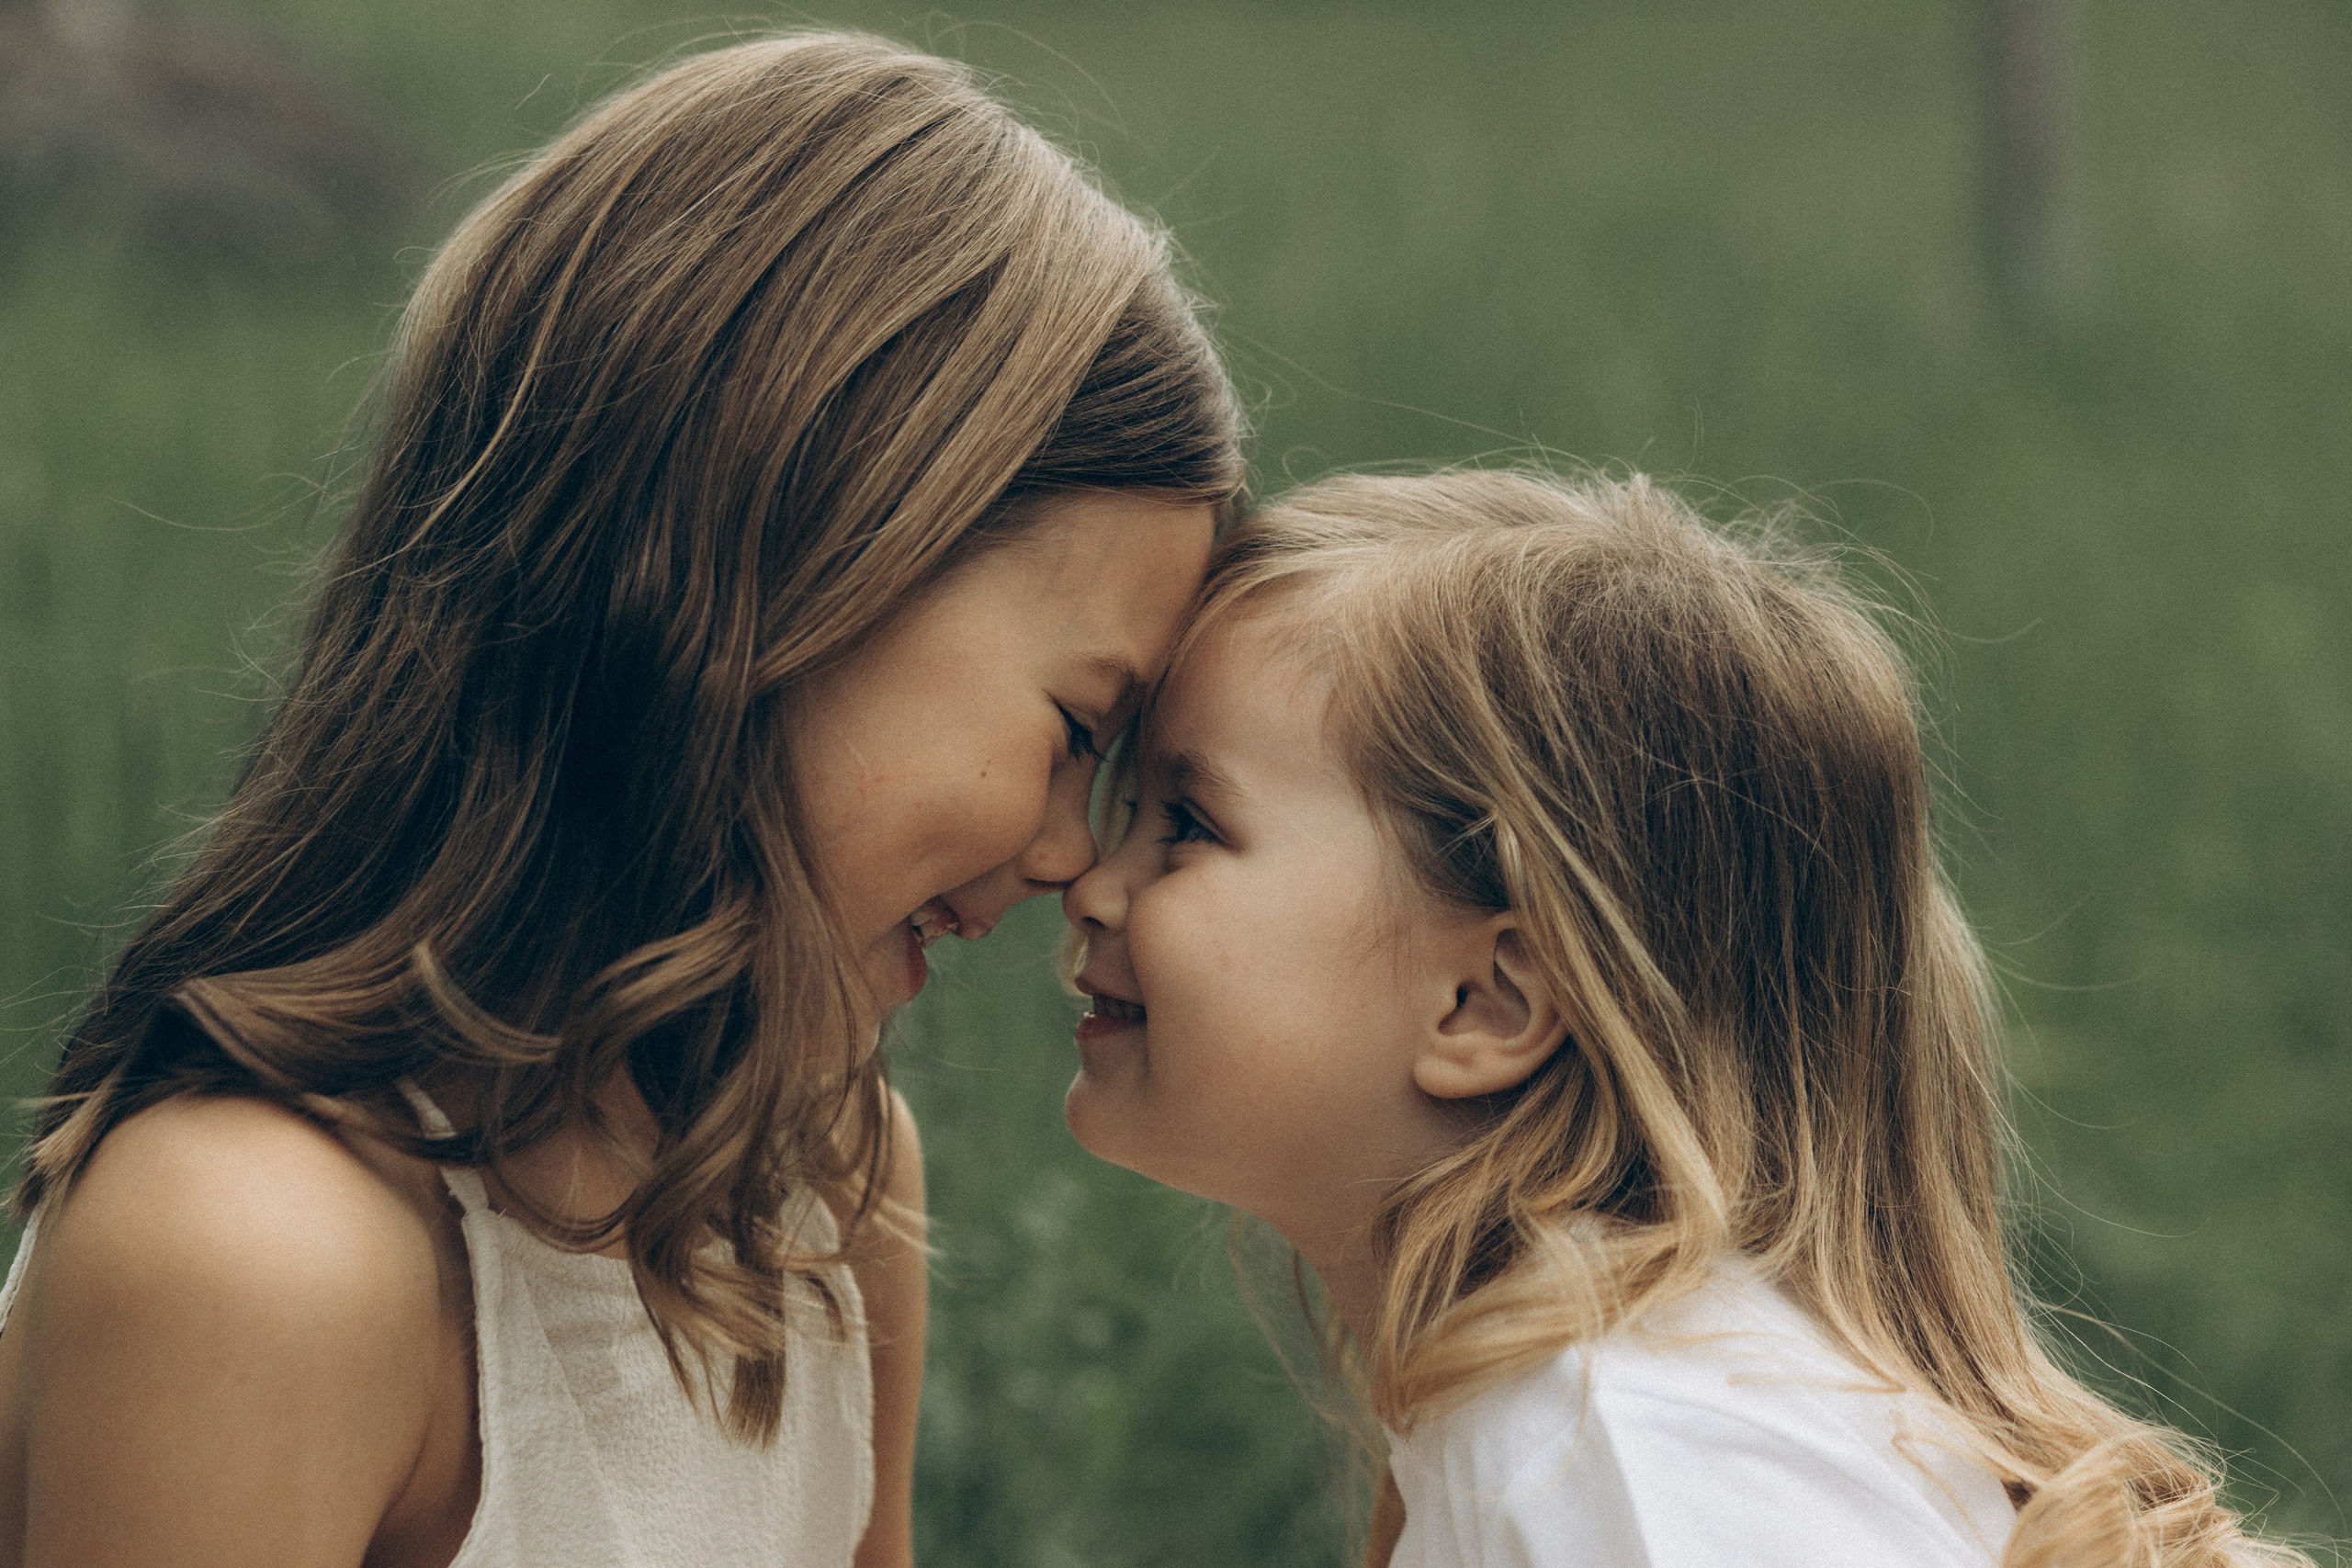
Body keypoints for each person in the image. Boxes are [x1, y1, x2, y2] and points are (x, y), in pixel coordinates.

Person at [0, 31, 1239, 1568]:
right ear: (803, 560)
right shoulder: (260, 1256)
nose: (1068, 851)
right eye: (1075, 726)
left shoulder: (816, 1179)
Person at [1060, 469, 2310, 1568]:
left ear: (1487, 1003)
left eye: (1188, 825)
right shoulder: (1595, 1408)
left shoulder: (1609, 1451)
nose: (1091, 880)